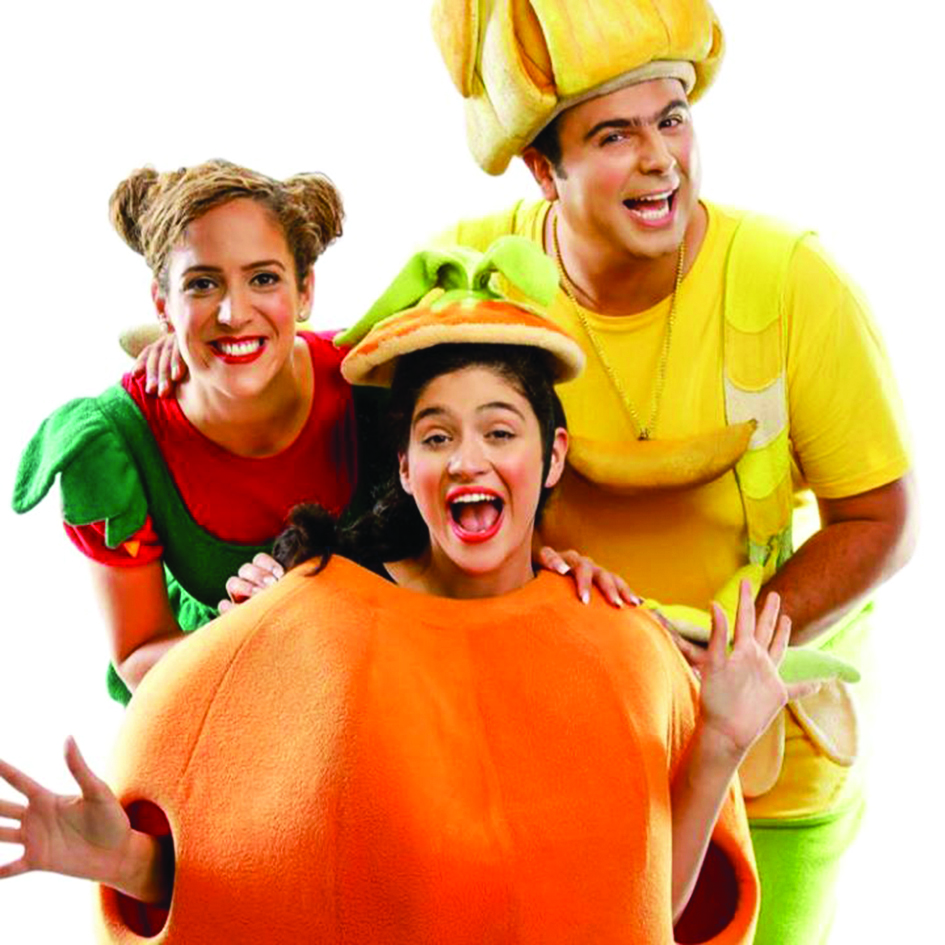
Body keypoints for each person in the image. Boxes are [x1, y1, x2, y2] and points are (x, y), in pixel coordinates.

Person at [0, 242, 825, 943]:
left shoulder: (619, 647)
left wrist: (719, 741)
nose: (467, 459)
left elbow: (638, 911)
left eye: (499, 431)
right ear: (403, 467)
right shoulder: (313, 621)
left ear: (553, 457)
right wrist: (126, 861)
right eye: (436, 436)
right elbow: (257, 884)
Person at [426, 1, 917, 943]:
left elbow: (879, 517)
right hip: (562, 749)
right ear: (543, 169)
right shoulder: (477, 273)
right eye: (614, 134)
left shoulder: (791, 280)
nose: (660, 160)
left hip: (769, 759)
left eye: (672, 119)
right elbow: (383, 454)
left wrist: (729, 658)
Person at [11, 159, 361, 704]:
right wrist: (246, 640)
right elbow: (138, 656)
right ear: (163, 305)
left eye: (263, 278)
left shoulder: (369, 379)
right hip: (216, 707)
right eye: (202, 284)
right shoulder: (115, 445)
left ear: (305, 290)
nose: (233, 312)